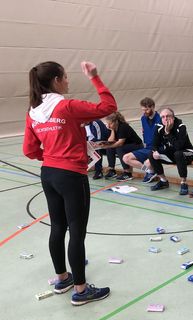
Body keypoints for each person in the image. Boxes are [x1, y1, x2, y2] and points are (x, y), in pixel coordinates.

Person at [23, 60, 116, 306]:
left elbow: (29, 150)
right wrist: (95, 76)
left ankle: (63, 278)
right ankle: (82, 290)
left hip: (48, 174)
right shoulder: (67, 106)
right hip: (71, 176)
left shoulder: (33, 112)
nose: (68, 81)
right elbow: (109, 106)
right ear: (56, 80)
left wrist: (52, 156)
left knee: (57, 227)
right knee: (76, 231)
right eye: (65, 77)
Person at [146, 107, 193, 193]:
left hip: (187, 154)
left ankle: (183, 182)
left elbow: (178, 147)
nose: (165, 119)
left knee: (178, 154)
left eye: (168, 116)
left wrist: (168, 133)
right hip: (171, 155)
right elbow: (154, 144)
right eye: (163, 117)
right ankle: (163, 181)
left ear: (173, 117)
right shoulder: (159, 127)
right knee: (151, 154)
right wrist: (155, 151)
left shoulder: (181, 127)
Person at [122, 97, 162, 183]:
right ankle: (149, 171)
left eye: (146, 110)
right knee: (126, 158)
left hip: (158, 149)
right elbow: (144, 132)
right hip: (147, 148)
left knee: (147, 163)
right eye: (143, 110)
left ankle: (151, 171)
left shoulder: (161, 119)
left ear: (153, 107)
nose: (144, 112)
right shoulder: (143, 118)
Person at [99, 112, 144, 181]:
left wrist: (108, 146)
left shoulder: (123, 127)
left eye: (110, 123)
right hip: (127, 145)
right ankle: (112, 170)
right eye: (107, 124)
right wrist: (112, 130)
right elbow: (110, 141)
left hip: (137, 145)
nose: (109, 125)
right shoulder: (113, 127)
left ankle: (127, 173)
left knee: (119, 148)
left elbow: (120, 143)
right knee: (110, 148)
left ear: (116, 121)